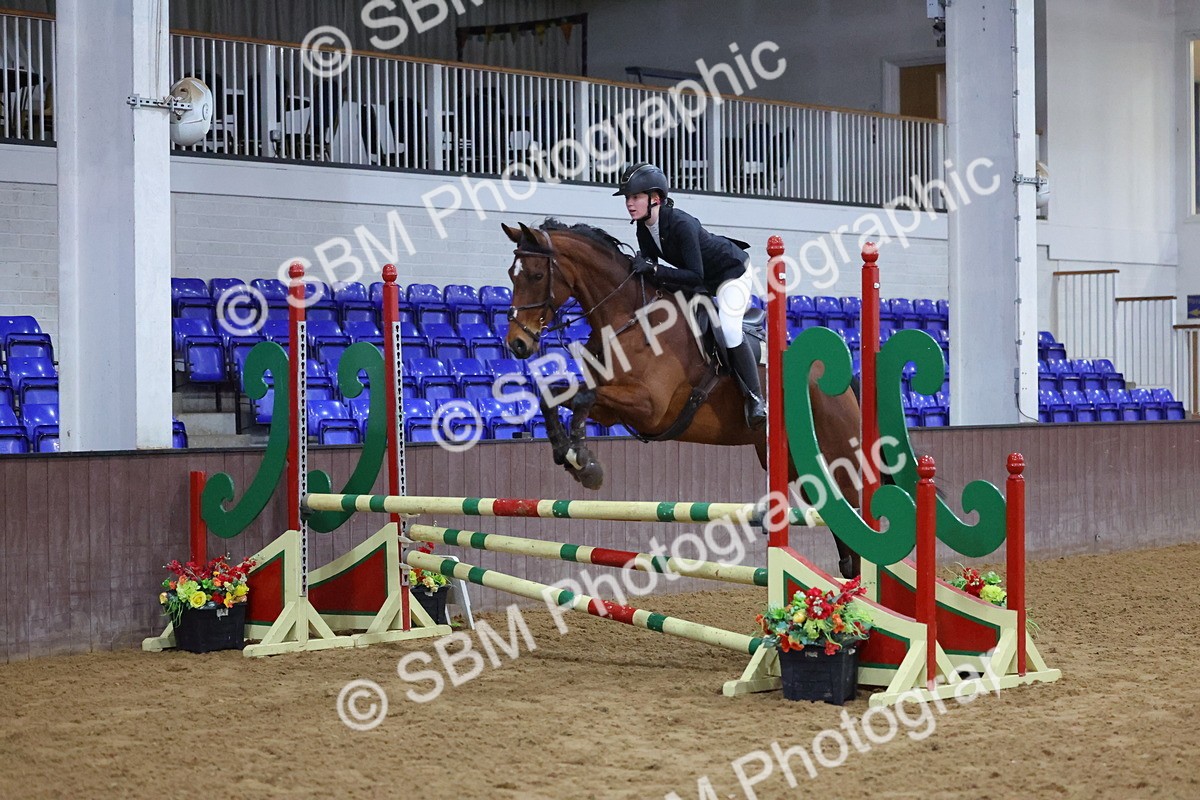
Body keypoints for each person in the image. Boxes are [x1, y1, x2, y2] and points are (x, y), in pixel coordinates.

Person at [613, 162, 766, 430]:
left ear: (655, 199)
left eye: (635, 197)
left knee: (729, 329)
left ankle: (755, 399)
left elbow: (695, 275)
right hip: (700, 281)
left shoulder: (681, 224)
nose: (629, 203)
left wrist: (656, 268)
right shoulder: (643, 228)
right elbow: (651, 272)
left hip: (730, 275)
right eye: (628, 198)